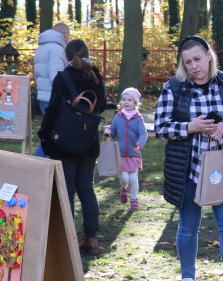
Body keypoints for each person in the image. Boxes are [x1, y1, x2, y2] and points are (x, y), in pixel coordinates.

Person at [154, 35, 223, 281]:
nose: (193, 66)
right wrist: (190, 127)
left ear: (209, 55)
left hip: (221, 169)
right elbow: (161, 127)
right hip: (187, 169)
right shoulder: (174, 87)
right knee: (188, 227)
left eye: (197, 59)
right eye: (187, 62)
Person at [38, 38, 107, 254]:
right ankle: (91, 239)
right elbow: (102, 105)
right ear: (87, 52)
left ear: (66, 56)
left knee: (67, 191)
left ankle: (67, 241)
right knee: (87, 189)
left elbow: (53, 109)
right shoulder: (95, 76)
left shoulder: (63, 77)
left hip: (65, 142)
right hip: (88, 141)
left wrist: (44, 135)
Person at [104, 87, 148, 211]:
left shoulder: (138, 119)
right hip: (121, 153)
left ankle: (134, 199)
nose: (126, 102)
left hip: (134, 153)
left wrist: (139, 145)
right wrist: (108, 132)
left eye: (129, 100)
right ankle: (124, 188)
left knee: (133, 178)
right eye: (124, 99)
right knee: (124, 178)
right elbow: (113, 130)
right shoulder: (118, 116)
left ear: (135, 103)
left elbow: (143, 134)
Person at [33, 22, 70, 157]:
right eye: (68, 35)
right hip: (54, 99)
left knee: (52, 133)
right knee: (53, 135)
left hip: (43, 96)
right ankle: (35, 165)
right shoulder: (57, 49)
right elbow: (56, 76)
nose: (69, 39)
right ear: (64, 33)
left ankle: (49, 168)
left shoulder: (41, 48)